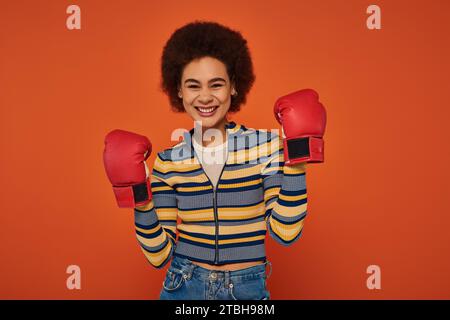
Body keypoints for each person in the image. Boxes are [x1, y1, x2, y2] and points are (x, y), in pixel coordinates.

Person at [103, 20, 326, 300]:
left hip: (245, 289)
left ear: (233, 86)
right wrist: (139, 197)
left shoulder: (266, 147)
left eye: (216, 84)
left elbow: (285, 232)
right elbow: (159, 256)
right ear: (179, 91)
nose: (205, 97)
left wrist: (297, 158)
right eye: (193, 85)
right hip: (182, 285)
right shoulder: (167, 163)